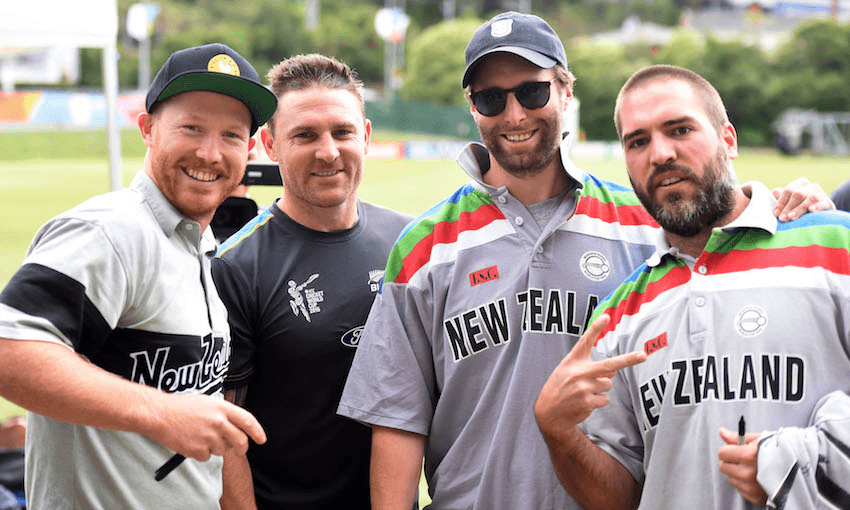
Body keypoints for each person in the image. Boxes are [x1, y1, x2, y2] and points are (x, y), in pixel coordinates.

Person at [337, 11, 834, 510]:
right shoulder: (424, 248)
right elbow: (398, 420)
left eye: (532, 92)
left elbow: (740, 258)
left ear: (566, 91)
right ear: (472, 108)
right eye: (491, 98)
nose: (514, 115)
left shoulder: (648, 228)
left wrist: (792, 207)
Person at [534, 64, 850, 510]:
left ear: (728, 139)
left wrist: (799, 465)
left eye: (679, 129)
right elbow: (619, 499)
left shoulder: (836, 245)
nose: (660, 153)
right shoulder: (620, 315)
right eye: (638, 141)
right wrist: (558, 432)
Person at [0, 43, 277, 509]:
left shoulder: (198, 247)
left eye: (231, 136)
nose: (210, 153)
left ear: (248, 150)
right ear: (147, 129)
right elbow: (9, 351)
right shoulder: (111, 230)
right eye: (191, 128)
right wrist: (161, 412)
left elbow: (205, 433)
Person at [212, 54, 412, 510]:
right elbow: (224, 437)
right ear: (269, 144)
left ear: (365, 135)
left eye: (342, 132)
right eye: (305, 135)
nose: (328, 151)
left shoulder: (410, 243)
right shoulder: (236, 267)